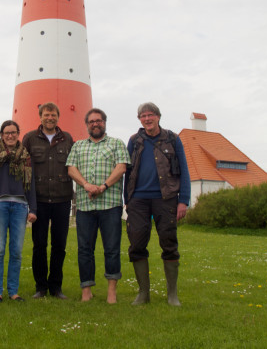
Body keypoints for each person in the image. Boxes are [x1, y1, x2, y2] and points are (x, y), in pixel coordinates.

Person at [124, 102, 191, 306]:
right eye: (142, 116)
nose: (147, 119)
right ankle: (143, 293)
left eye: (150, 115)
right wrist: (127, 200)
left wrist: (183, 201)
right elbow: (127, 172)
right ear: (139, 120)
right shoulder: (134, 141)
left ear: (158, 116)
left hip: (166, 198)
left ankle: (172, 295)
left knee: (169, 244)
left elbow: (185, 172)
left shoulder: (172, 139)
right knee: (136, 244)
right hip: (138, 200)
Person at [66, 108, 130, 304]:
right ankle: (86, 290)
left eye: (99, 120)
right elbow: (71, 168)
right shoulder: (78, 146)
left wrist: (103, 186)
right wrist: (85, 185)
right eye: (92, 121)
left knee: (112, 248)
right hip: (85, 206)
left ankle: (112, 291)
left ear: (105, 122)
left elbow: (122, 167)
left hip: (110, 205)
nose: (96, 124)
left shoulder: (116, 143)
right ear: (87, 125)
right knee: (85, 249)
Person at [22, 102, 73, 299]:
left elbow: (73, 164)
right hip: (39, 199)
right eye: (46, 115)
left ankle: (56, 287)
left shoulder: (67, 138)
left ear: (58, 117)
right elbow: (25, 167)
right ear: (40, 117)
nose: (49, 118)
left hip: (62, 199)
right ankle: (40, 287)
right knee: (39, 245)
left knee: (59, 245)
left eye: (53, 115)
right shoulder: (29, 138)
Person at [0, 120, 37, 302]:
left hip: (20, 206)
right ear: (2, 134)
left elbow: (31, 185)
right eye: (7, 133)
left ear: (18, 133)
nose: (10, 136)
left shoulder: (26, 157)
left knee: (16, 251)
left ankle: (13, 291)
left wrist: (33, 208)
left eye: (13, 132)